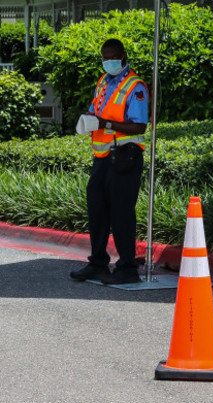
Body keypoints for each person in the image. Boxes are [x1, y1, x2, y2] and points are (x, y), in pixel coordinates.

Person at [70, 38, 149, 285]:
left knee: (121, 212)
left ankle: (127, 268)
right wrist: (89, 119)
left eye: (112, 57)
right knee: (97, 209)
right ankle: (98, 263)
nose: (108, 61)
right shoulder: (104, 81)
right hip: (103, 156)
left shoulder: (135, 86)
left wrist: (105, 124)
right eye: (104, 57)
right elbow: (97, 109)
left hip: (125, 156)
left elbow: (139, 125)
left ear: (123, 57)